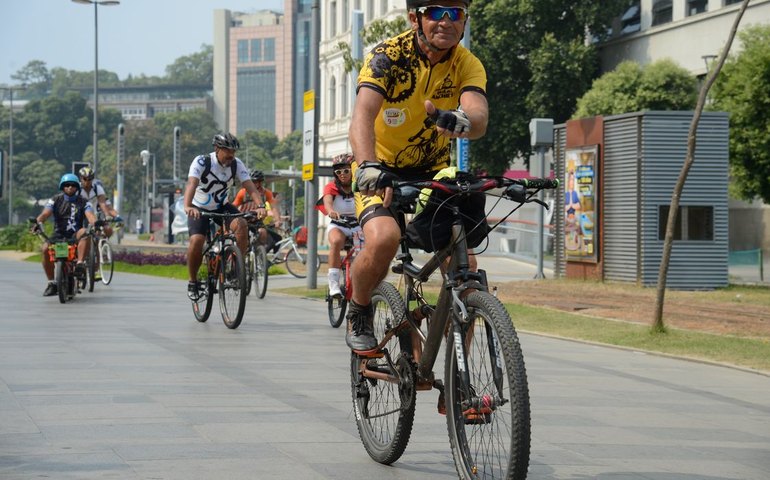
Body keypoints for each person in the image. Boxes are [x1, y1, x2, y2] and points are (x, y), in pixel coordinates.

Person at [346, 0, 488, 351]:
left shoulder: (465, 62)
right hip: (380, 167)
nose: (445, 21)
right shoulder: (387, 56)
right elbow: (362, 116)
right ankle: (359, 308)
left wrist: (464, 121)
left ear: (465, 21)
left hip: (433, 173)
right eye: (435, 12)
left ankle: (459, 385)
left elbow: (479, 115)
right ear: (415, 18)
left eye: (454, 13)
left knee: (465, 270)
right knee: (383, 239)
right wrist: (368, 167)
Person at [183, 133, 267, 300]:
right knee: (197, 241)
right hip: (199, 208)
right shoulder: (202, 161)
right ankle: (193, 281)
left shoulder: (236, 164)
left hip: (221, 205)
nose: (231, 155)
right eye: (227, 151)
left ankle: (236, 269)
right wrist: (188, 205)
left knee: (241, 225)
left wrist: (260, 205)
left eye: (233, 152)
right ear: (217, 149)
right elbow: (191, 184)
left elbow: (250, 186)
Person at [31, 173, 99, 296]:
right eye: (66, 185)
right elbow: (45, 214)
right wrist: (38, 222)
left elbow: (90, 216)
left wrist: (94, 224)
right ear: (62, 187)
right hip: (58, 234)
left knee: (85, 232)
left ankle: (80, 264)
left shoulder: (84, 202)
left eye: (73, 185)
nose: (70, 187)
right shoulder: (55, 200)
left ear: (77, 188)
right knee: (45, 249)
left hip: (75, 235)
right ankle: (52, 283)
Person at [320, 153, 362, 297]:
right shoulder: (331, 186)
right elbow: (327, 202)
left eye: (346, 170)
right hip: (339, 225)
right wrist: (331, 211)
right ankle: (334, 285)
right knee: (337, 241)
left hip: (358, 226)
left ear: (353, 170)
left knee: (369, 250)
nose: (342, 175)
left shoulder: (361, 185)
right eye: (338, 172)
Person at [232, 169, 282, 250]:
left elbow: (274, 208)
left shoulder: (267, 193)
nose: (254, 184)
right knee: (241, 237)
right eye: (252, 182)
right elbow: (234, 205)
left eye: (256, 182)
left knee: (263, 233)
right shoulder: (243, 192)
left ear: (260, 182)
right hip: (244, 218)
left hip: (257, 220)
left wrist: (278, 220)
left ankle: (259, 255)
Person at [78, 166, 121, 237]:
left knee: (105, 230)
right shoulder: (77, 189)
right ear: (81, 178)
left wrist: (108, 216)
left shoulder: (97, 188)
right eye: (85, 179)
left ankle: (103, 244)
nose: (87, 181)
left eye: (90, 179)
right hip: (81, 216)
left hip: (95, 216)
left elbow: (103, 204)